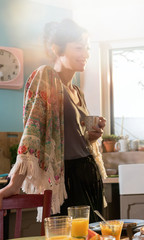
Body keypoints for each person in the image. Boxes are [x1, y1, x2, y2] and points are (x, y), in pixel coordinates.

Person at [0, 19, 107, 223]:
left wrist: (90, 137)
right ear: (57, 49)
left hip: (88, 174)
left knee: (94, 235)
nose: (85, 53)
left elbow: (74, 140)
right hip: (67, 180)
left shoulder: (77, 91)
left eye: (88, 48)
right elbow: (32, 132)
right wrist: (13, 185)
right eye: (78, 47)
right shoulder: (46, 76)